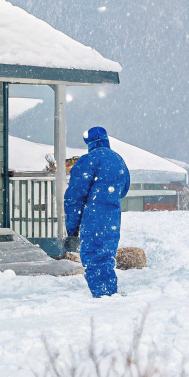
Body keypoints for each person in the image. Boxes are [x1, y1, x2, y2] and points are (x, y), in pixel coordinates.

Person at [64, 126, 130, 298]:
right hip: (112, 216)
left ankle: (104, 299)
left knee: (93, 257)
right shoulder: (118, 160)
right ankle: (110, 294)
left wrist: (72, 227)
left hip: (93, 216)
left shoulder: (88, 161)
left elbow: (74, 198)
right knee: (106, 257)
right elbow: (123, 190)